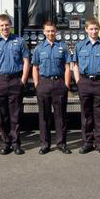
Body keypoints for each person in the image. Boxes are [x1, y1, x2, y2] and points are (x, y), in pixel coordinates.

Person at [0, 13, 30, 155]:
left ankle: (16, 143)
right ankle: (6, 143)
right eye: (2, 25)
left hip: (15, 80)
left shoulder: (19, 41)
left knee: (15, 114)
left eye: (7, 24)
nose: (4, 27)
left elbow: (26, 61)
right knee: (2, 114)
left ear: (10, 25)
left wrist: (23, 80)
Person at [71, 17, 100, 154]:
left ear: (99, 29)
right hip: (84, 83)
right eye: (91, 29)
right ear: (86, 30)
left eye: (96, 28)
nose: (94, 31)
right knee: (86, 115)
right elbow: (75, 65)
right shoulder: (80, 46)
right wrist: (78, 81)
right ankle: (87, 143)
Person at [31, 20, 72, 154]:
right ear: (44, 32)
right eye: (48, 31)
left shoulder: (63, 47)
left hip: (59, 83)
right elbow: (35, 67)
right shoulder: (38, 48)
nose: (50, 33)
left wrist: (66, 84)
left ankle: (61, 143)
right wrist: (37, 85)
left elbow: (67, 67)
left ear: (56, 31)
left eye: (52, 31)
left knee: (60, 116)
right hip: (44, 84)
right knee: (44, 116)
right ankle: (45, 144)